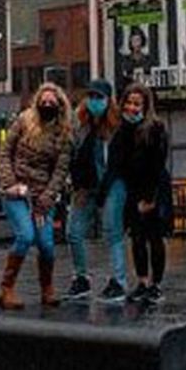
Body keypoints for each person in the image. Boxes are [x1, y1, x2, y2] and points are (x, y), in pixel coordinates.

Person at [0, 82, 72, 310]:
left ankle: (46, 289)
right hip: (15, 191)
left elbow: (60, 171)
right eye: (44, 101)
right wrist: (10, 184)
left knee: (46, 244)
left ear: (59, 105)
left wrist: (45, 200)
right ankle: (6, 288)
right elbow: (5, 152)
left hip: (42, 195)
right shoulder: (23, 121)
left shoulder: (64, 133)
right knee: (26, 236)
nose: (47, 105)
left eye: (52, 102)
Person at [104, 83, 172, 304]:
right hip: (132, 191)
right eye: (129, 103)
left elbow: (157, 163)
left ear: (145, 106)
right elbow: (116, 164)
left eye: (137, 104)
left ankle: (156, 284)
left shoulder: (155, 128)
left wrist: (149, 198)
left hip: (153, 189)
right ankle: (142, 281)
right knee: (137, 238)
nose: (132, 108)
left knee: (155, 237)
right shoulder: (121, 131)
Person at [65, 79, 129, 303]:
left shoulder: (117, 127)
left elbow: (117, 162)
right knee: (73, 232)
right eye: (90, 96)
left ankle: (119, 281)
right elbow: (72, 155)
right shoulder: (79, 124)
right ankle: (81, 277)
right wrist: (76, 185)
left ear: (108, 100)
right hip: (85, 185)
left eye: (99, 97)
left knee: (112, 231)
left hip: (112, 183)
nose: (94, 101)